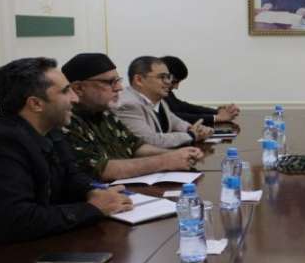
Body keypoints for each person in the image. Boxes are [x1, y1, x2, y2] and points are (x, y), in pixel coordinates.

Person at [0, 57, 132, 242]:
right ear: (36, 104)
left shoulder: (50, 129)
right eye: (66, 91)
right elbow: (16, 220)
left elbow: (71, 176)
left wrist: (92, 192)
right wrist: (93, 208)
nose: (75, 98)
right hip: (7, 254)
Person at [61, 53, 204, 181]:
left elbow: (136, 146)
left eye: (118, 80)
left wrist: (177, 154)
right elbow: (102, 169)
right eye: (110, 82)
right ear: (79, 88)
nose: (119, 88)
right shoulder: (65, 120)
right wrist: (165, 160)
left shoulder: (104, 113)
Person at [115, 56, 213, 148]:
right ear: (139, 80)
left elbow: (176, 122)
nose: (168, 82)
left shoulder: (158, 101)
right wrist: (191, 135)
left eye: (168, 77)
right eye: (162, 77)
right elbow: (150, 140)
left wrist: (196, 129)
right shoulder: (127, 104)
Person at [160, 55, 239, 126]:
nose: (176, 87)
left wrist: (217, 112)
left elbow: (184, 107)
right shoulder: (156, 95)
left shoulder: (166, 93)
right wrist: (216, 117)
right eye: (174, 82)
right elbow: (173, 117)